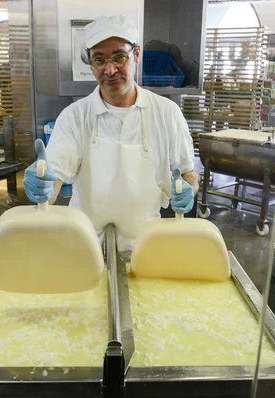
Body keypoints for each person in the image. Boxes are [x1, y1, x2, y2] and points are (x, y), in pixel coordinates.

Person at [24, 15, 197, 250]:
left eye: (119, 57)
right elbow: (55, 179)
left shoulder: (167, 113)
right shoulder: (75, 116)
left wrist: (188, 189)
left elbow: (188, 173)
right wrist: (43, 186)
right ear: (91, 65)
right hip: (84, 247)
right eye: (99, 60)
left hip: (145, 247)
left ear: (136, 55)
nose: (110, 69)